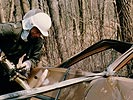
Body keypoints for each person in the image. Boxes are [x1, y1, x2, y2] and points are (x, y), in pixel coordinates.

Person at [0, 9, 52, 94]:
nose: (38, 35)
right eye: (37, 31)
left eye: (40, 33)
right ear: (31, 25)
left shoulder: (38, 41)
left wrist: (28, 63)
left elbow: (35, 59)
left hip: (10, 70)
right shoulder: (13, 29)